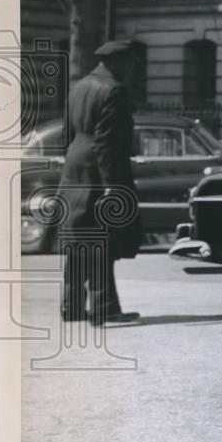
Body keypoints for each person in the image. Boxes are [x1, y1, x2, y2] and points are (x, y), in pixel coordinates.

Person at [59, 39, 143, 326]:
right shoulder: (114, 90)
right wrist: (111, 185)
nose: (133, 68)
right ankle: (105, 308)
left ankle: (72, 307)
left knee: (78, 240)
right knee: (101, 241)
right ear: (117, 61)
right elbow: (107, 143)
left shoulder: (79, 86)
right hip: (98, 171)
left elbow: (67, 134)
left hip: (76, 167)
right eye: (131, 62)